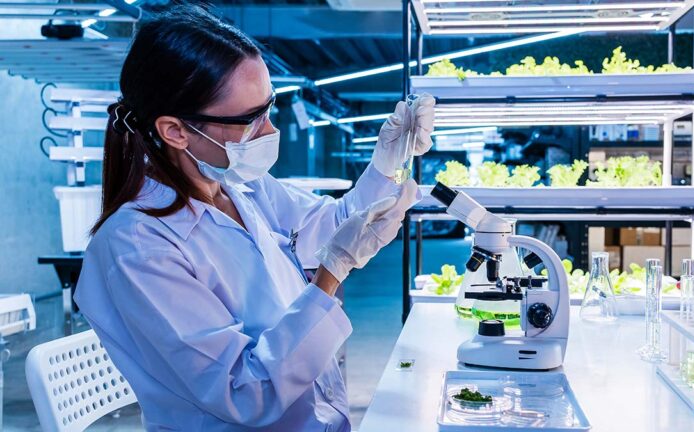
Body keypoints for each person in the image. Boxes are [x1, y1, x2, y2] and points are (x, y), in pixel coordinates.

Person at [73, 6, 435, 432]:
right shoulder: (138, 246)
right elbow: (246, 392)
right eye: (250, 119)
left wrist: (386, 165)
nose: (269, 131)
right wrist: (330, 274)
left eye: (268, 108)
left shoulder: (242, 187)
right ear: (175, 131)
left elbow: (336, 224)